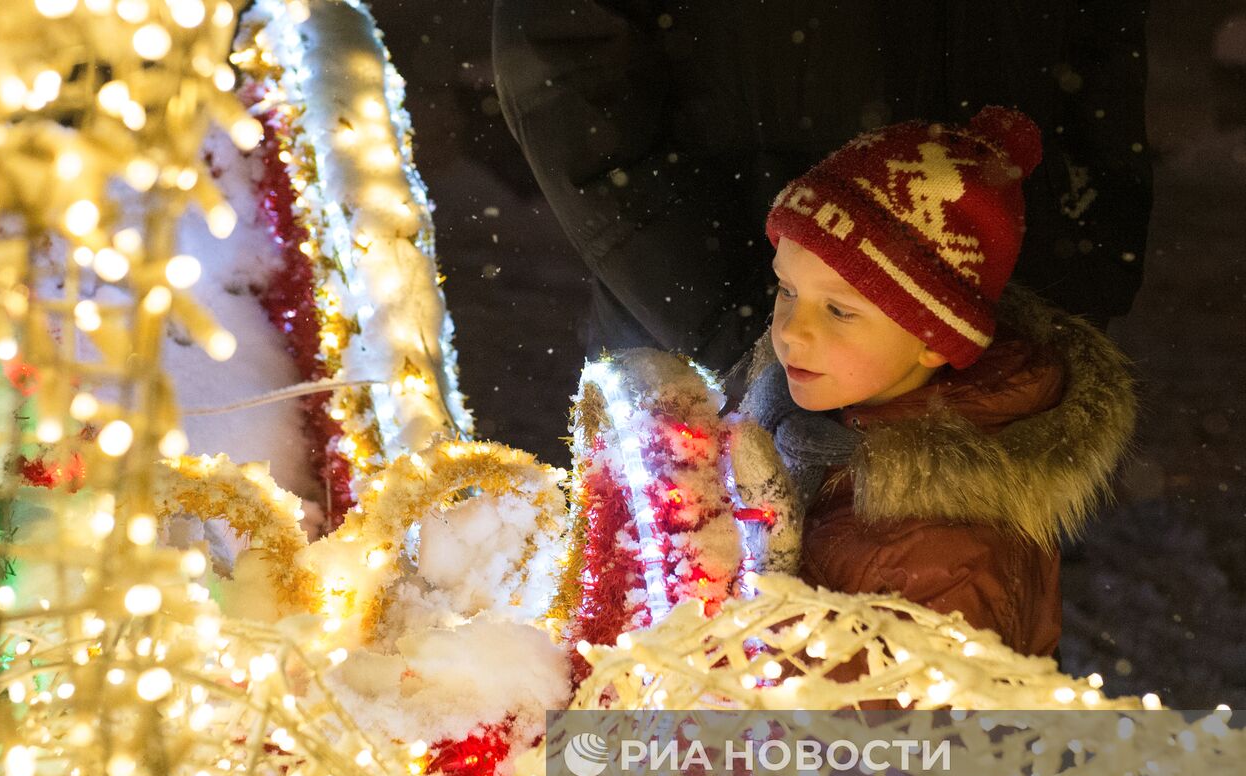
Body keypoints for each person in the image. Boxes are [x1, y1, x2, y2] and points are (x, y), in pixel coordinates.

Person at [492, 0, 1152, 377]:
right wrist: (721, 311)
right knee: (713, 579)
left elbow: (1103, 42)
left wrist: (1083, 263)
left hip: (1002, 338)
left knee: (962, 579)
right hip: (711, 332)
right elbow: (562, 47)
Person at [737, 104, 1136, 659]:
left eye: (839, 310)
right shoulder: (796, 425)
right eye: (788, 291)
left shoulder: (947, 554)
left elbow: (874, 714)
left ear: (935, 338)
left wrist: (730, 620)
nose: (790, 331)